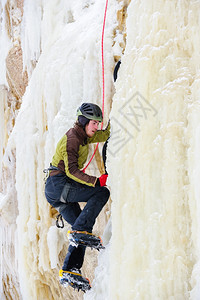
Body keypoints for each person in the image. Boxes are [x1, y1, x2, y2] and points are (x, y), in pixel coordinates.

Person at [45, 102, 110, 291]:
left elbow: (102, 135)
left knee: (82, 228)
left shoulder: (83, 136)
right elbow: (72, 170)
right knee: (101, 193)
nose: (96, 126)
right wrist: (96, 181)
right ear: (83, 121)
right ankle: (78, 236)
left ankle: (70, 269)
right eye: (94, 123)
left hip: (59, 191)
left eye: (98, 123)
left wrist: (112, 125)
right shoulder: (73, 138)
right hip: (59, 185)